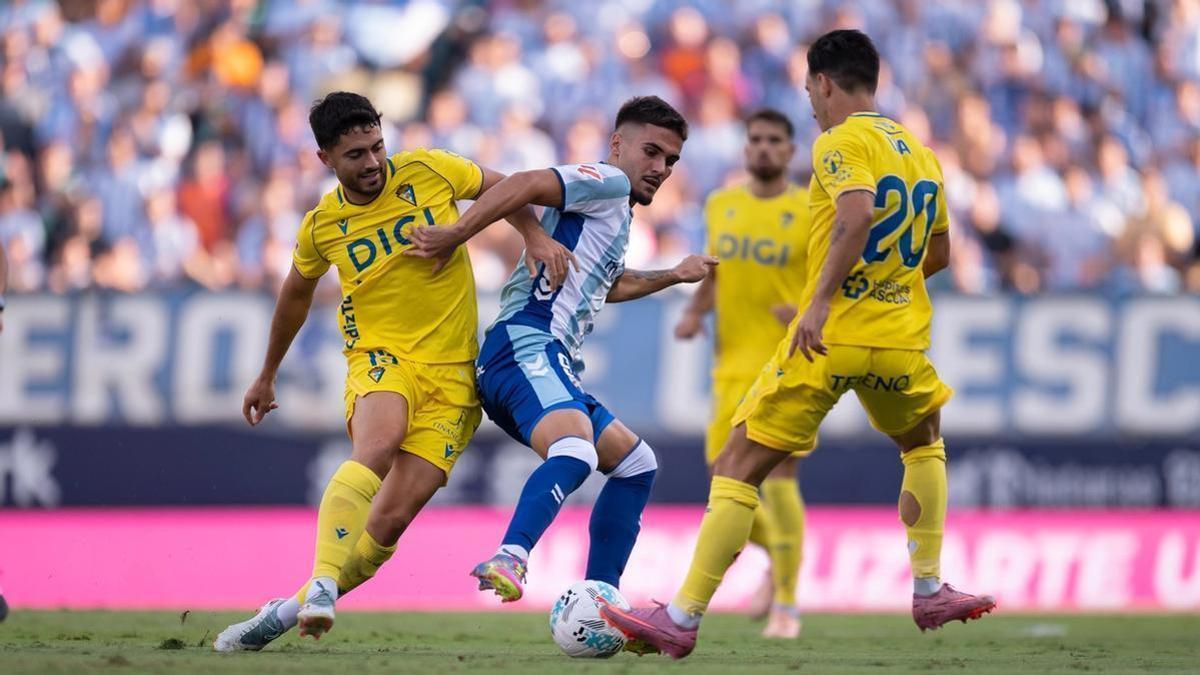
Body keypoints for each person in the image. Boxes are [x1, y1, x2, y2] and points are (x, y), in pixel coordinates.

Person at [602, 30, 995, 658]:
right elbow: (940, 253)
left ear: (823, 83)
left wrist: (820, 302)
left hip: (828, 336)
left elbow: (857, 212)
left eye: (810, 89)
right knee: (924, 445)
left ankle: (681, 617)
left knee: (736, 467)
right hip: (899, 339)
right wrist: (883, 286)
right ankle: (927, 587)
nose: (811, 102)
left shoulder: (839, 142)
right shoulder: (921, 153)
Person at [214, 92, 573, 651]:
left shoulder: (432, 169)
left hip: (455, 377)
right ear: (325, 158)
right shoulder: (322, 226)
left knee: (385, 528)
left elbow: (513, 187)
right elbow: (294, 296)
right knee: (378, 446)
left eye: (377, 146)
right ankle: (322, 586)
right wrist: (267, 374)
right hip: (381, 356)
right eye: (355, 154)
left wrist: (534, 235)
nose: (373, 162)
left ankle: (288, 608)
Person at [407, 95, 716, 604]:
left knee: (637, 464)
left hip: (549, 362)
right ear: (618, 144)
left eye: (671, 161)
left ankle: (599, 599)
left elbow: (606, 285)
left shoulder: (615, 212)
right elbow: (525, 182)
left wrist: (672, 275)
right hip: (523, 344)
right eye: (652, 151)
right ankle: (512, 556)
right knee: (576, 449)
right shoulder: (608, 181)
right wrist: (458, 233)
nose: (661, 168)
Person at [674, 107, 810, 639]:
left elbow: (832, 281)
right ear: (744, 147)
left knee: (778, 477)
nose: (764, 148)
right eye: (755, 139)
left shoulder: (810, 209)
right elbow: (716, 273)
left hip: (788, 365)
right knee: (722, 476)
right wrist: (693, 311)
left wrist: (800, 313)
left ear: (790, 151)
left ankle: (789, 607)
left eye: (774, 140)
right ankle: (780, 560)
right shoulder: (722, 204)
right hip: (730, 365)